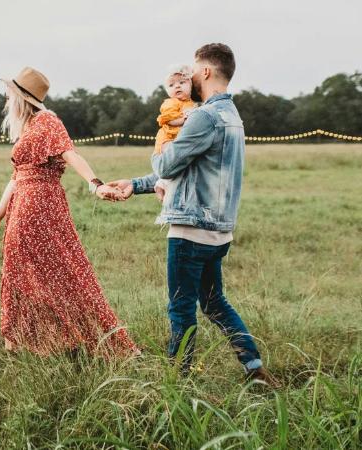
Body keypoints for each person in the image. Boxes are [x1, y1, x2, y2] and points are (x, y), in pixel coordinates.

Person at [106, 44, 278, 385]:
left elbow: (168, 163)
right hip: (219, 231)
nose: (190, 78)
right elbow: (189, 169)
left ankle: (178, 381)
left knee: (181, 308)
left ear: (207, 73)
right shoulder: (232, 117)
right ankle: (254, 368)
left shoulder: (204, 116)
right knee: (215, 304)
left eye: (194, 71)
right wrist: (136, 185)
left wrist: (162, 149)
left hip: (190, 230)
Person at [0, 66, 137, 356]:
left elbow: (70, 153)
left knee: (57, 272)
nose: (5, 100)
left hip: (39, 205)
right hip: (23, 204)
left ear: (21, 98)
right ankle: (28, 341)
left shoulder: (47, 121)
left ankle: (62, 339)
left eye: (9, 94)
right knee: (24, 273)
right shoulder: (27, 128)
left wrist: (95, 184)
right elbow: (15, 178)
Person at [153, 65, 197, 205]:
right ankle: (162, 185)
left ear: (191, 85)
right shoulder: (170, 103)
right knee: (173, 159)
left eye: (182, 83)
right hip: (169, 137)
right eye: (172, 85)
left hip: (180, 138)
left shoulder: (192, 103)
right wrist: (183, 120)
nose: (177, 87)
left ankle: (162, 184)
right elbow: (167, 119)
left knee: (181, 164)